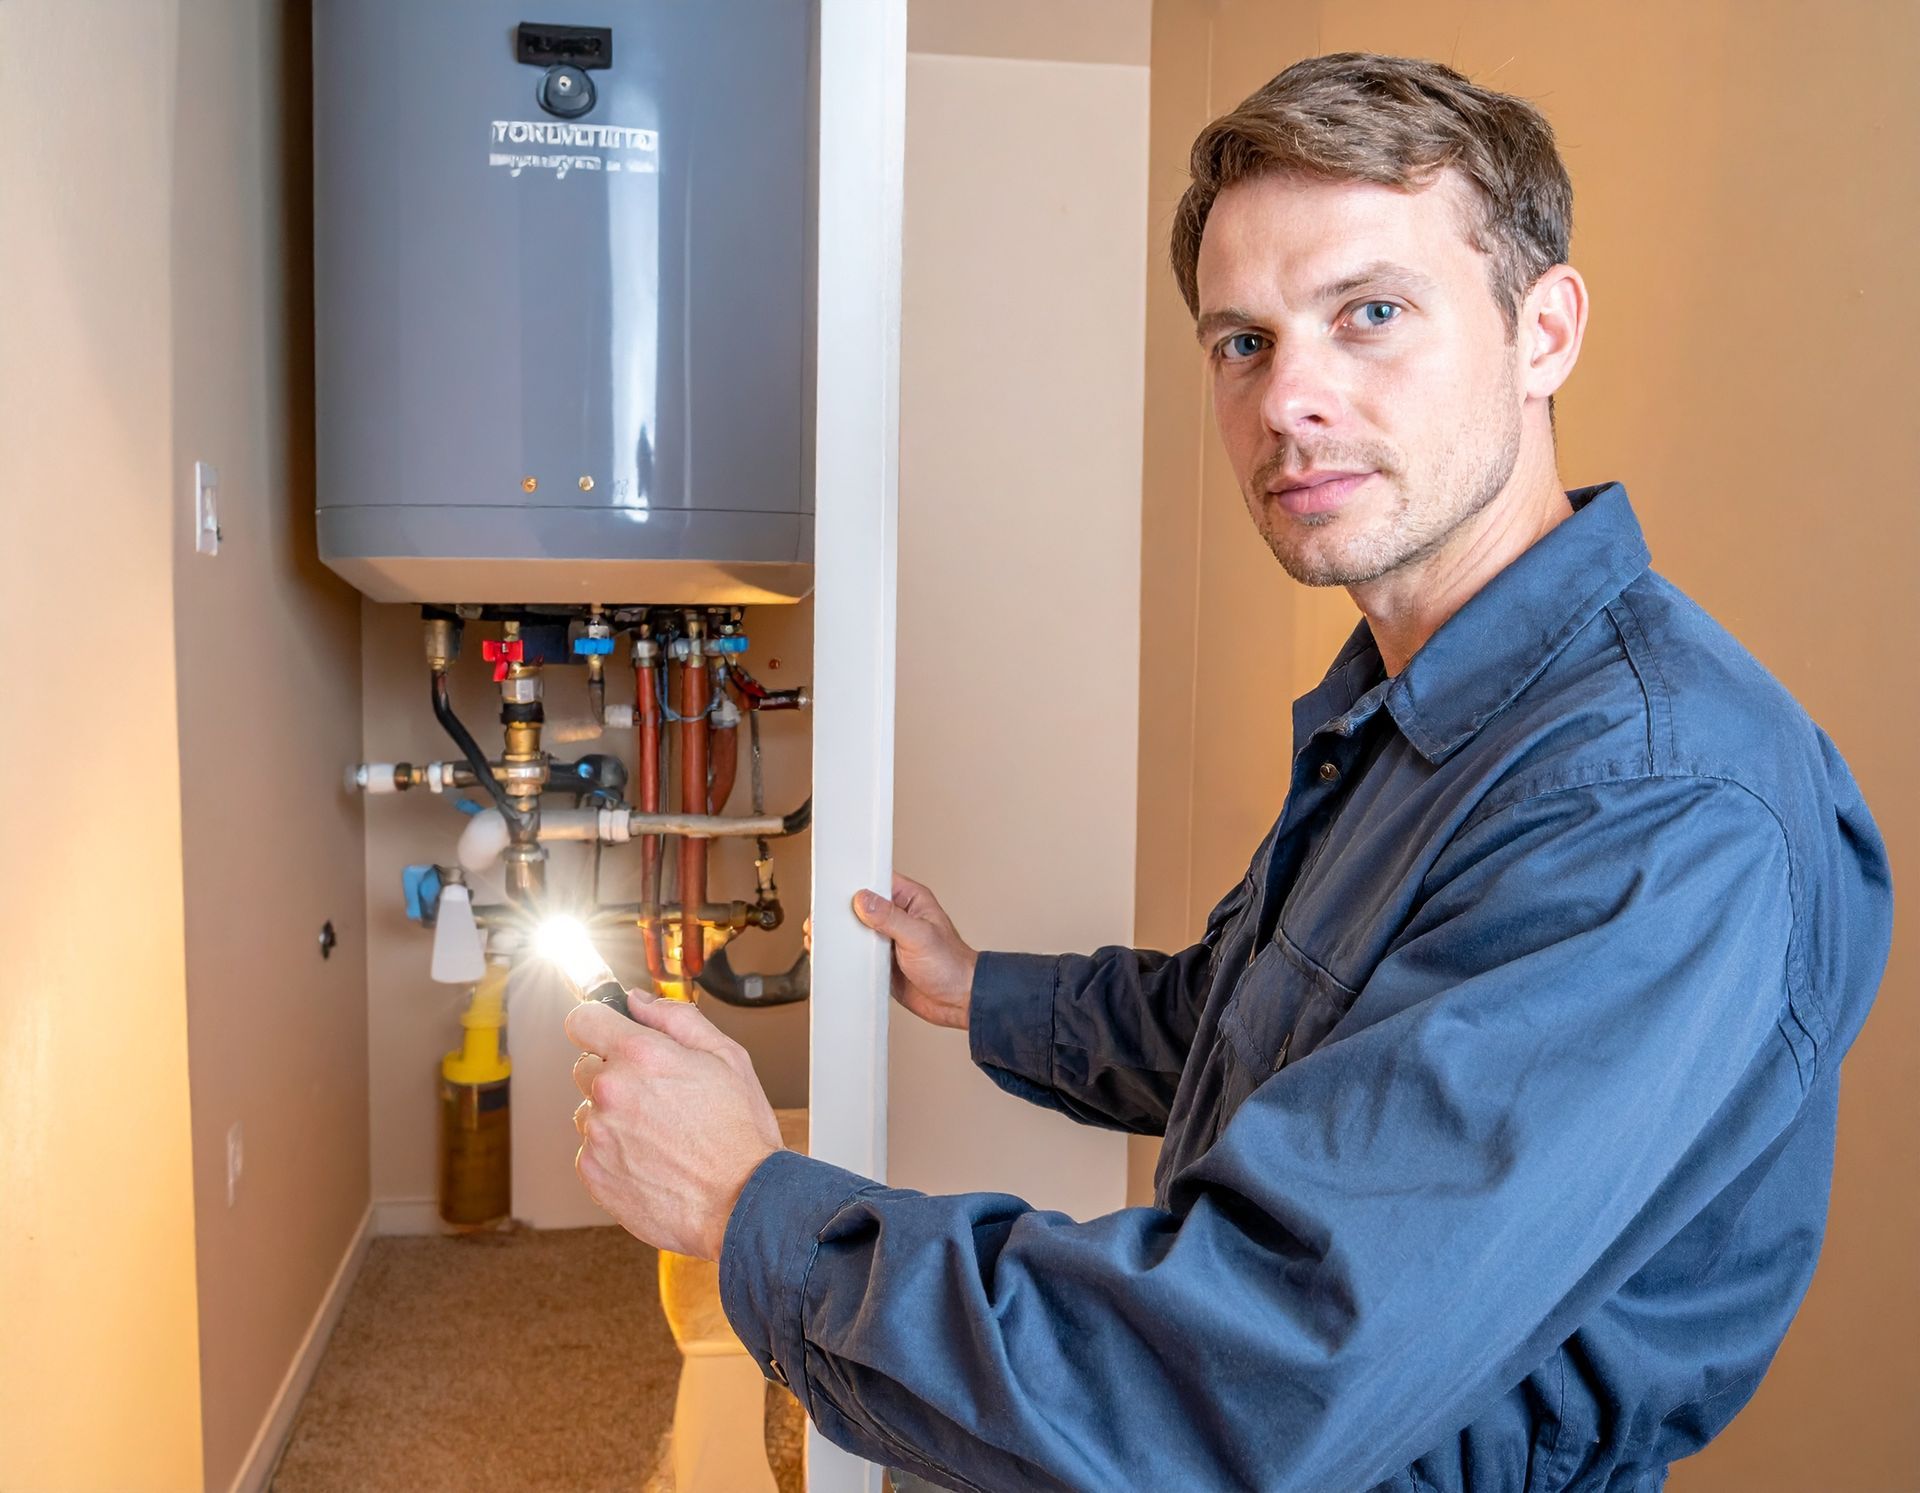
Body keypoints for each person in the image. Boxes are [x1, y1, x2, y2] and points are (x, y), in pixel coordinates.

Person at [564, 52, 1893, 1492]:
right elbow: (1245, 1023)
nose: (1287, 401)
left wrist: (750, 1204)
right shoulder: (1417, 709)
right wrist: (978, 987)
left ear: (1543, 331)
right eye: (1241, 343)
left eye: (1369, 314)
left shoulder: (1653, 797)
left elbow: (1240, 1378)